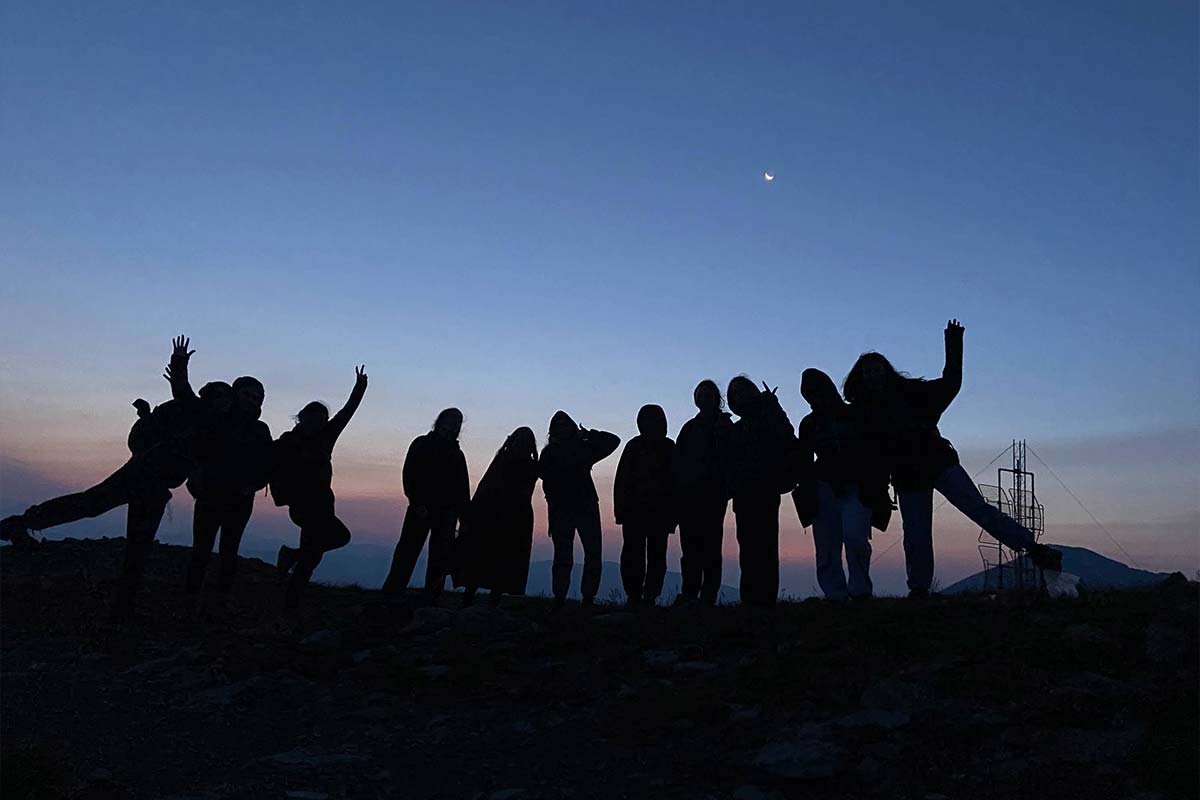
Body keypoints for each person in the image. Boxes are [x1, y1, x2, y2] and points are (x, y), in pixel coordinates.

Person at [0, 336, 220, 619]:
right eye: (219, 397)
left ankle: (123, 604)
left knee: (123, 531)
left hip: (152, 483)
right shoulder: (196, 411)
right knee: (93, 507)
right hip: (141, 475)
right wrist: (179, 362)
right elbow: (182, 389)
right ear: (209, 399)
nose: (223, 404)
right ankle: (22, 524)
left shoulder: (212, 427)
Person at [843, 320, 1062, 596]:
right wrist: (878, 489)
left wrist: (953, 341)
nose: (873, 375)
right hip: (908, 476)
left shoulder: (912, 394)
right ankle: (920, 588)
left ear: (886, 372)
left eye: (877, 370)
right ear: (861, 377)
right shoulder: (862, 413)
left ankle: (1033, 549)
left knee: (976, 509)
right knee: (916, 533)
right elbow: (871, 455)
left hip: (938, 463)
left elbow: (950, 383)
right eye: (868, 372)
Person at [272, 366, 368, 610]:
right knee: (330, 542)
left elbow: (346, 413)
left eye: (322, 419)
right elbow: (271, 466)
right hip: (304, 506)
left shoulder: (326, 437)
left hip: (324, 505)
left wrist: (359, 390)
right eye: (313, 418)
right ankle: (290, 596)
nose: (318, 423)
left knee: (312, 555)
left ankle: (291, 590)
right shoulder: (288, 442)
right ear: (302, 418)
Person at [793, 368, 892, 601]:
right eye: (809, 392)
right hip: (823, 487)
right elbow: (804, 460)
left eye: (817, 389)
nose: (814, 395)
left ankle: (860, 591)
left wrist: (878, 484)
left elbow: (873, 450)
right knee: (826, 547)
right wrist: (807, 491)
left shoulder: (855, 414)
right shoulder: (808, 423)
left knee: (856, 539)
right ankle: (835, 594)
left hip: (856, 486)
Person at [184, 375, 272, 596]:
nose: (251, 401)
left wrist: (251, 486)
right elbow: (197, 449)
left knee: (229, 551)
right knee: (201, 551)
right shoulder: (216, 419)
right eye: (247, 395)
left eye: (256, 398)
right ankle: (191, 600)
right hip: (210, 496)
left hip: (240, 501)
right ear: (235, 394)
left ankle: (219, 602)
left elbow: (268, 464)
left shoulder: (260, 430)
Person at [725, 376, 798, 608]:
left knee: (764, 545)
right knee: (748, 547)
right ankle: (751, 598)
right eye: (735, 393)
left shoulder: (769, 418)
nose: (740, 396)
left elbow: (787, 437)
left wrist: (773, 407)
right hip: (744, 494)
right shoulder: (736, 428)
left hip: (765, 490)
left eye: (743, 390)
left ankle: (765, 598)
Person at [382, 408, 470, 601]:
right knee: (407, 551)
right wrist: (416, 502)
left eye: (458, 422)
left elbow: (463, 488)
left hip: (447, 513)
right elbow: (409, 474)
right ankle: (392, 591)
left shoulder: (457, 454)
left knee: (439, 557)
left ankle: (431, 596)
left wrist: (464, 518)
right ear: (440, 421)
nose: (454, 425)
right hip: (421, 509)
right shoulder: (422, 444)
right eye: (451, 420)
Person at [538, 411, 620, 610]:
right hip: (562, 509)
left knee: (592, 553)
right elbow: (544, 477)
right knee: (563, 555)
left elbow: (613, 441)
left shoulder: (584, 447)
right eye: (558, 425)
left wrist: (589, 434)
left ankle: (588, 598)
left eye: (565, 425)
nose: (562, 428)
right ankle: (559, 598)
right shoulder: (550, 452)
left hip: (586, 506)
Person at [453, 427, 540, 608]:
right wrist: (473, 513)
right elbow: (487, 486)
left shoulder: (531, 465)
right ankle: (471, 598)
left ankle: (491, 600)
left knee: (503, 560)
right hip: (493, 515)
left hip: (515, 519)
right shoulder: (505, 460)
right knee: (483, 556)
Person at [671, 380, 733, 606]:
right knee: (690, 549)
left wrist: (726, 488)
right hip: (689, 497)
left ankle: (707, 597)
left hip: (714, 496)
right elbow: (678, 462)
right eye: (702, 395)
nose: (705, 399)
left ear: (717, 398)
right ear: (696, 400)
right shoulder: (689, 428)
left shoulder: (726, 427)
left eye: (709, 395)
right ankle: (689, 594)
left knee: (711, 548)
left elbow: (732, 460)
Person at [613, 404, 676, 606]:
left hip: (660, 512)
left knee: (657, 556)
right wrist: (620, 510)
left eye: (654, 420)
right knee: (633, 554)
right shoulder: (633, 446)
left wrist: (673, 516)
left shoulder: (669, 447)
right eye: (646, 420)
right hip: (634, 512)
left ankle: (650, 595)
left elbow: (676, 481)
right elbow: (622, 479)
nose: (650, 424)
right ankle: (633, 594)